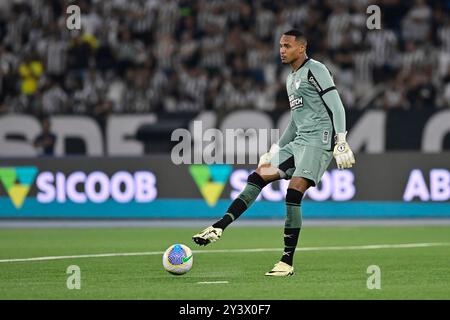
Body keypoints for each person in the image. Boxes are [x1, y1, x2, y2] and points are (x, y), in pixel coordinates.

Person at [192, 30, 355, 276]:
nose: (282, 50)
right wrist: (276, 148)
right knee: (258, 176)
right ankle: (219, 226)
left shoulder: (316, 69)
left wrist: (340, 140)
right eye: (280, 45)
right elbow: (295, 121)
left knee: (293, 191)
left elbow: (337, 105)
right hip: (298, 142)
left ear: (301, 48)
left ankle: (286, 262)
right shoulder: (291, 79)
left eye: (287, 46)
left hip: (318, 141)